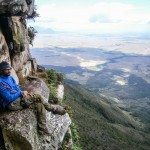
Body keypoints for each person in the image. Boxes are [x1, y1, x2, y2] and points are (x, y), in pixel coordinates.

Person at [0, 61, 66, 134]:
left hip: (18, 99)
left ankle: (42, 128)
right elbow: (8, 98)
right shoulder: (0, 82)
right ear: (1, 70)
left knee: (39, 104)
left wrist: (21, 93)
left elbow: (16, 87)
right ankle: (52, 108)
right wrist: (20, 93)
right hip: (11, 104)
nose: (9, 71)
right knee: (37, 96)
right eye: (7, 69)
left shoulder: (10, 77)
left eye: (10, 69)